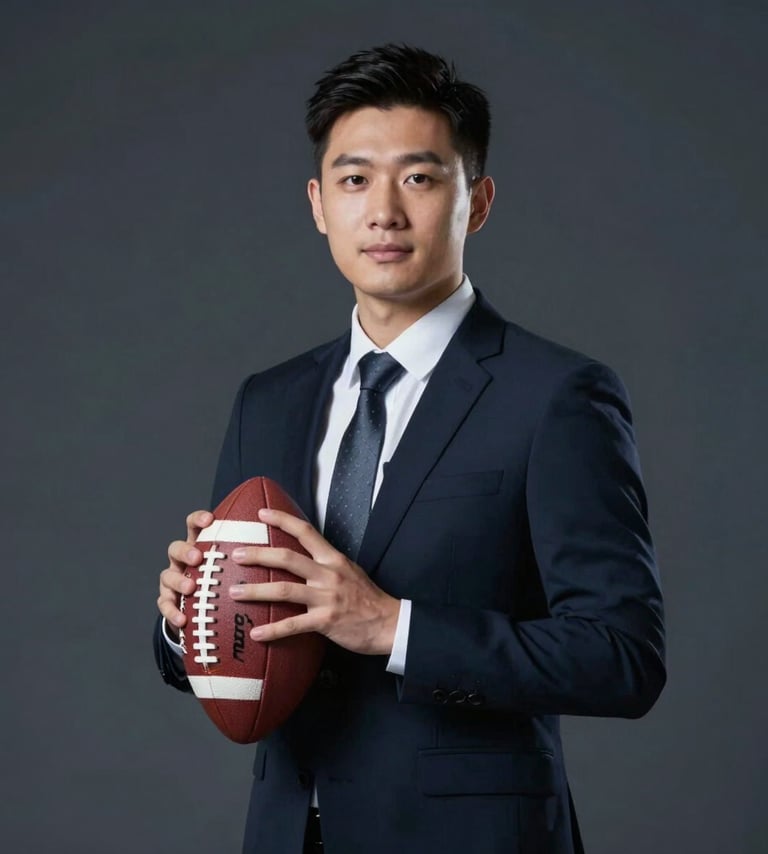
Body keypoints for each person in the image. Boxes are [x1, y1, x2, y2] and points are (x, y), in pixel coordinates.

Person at [154, 44, 665, 854]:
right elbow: (237, 647)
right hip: (289, 835)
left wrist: (394, 627)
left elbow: (623, 657)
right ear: (320, 204)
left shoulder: (557, 396)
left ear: (479, 200)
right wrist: (190, 621)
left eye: (420, 178)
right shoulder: (269, 399)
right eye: (355, 180)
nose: (384, 211)